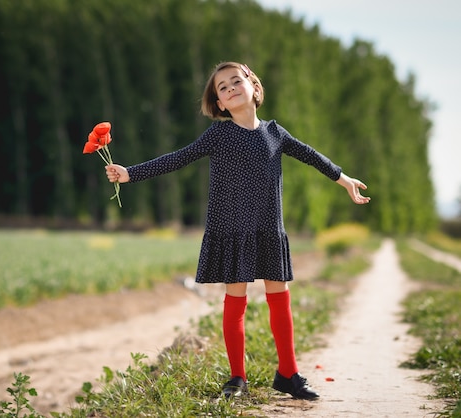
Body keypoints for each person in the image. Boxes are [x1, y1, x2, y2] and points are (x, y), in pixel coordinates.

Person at [105, 61, 370, 400]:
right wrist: (130, 174)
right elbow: (178, 158)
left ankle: (288, 373)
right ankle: (237, 378)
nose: (230, 88)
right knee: (236, 299)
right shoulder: (219, 134)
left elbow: (310, 155)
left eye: (236, 81)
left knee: (279, 296)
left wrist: (343, 179)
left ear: (254, 88)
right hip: (232, 228)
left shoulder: (275, 133)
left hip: (268, 228)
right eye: (222, 88)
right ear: (219, 104)